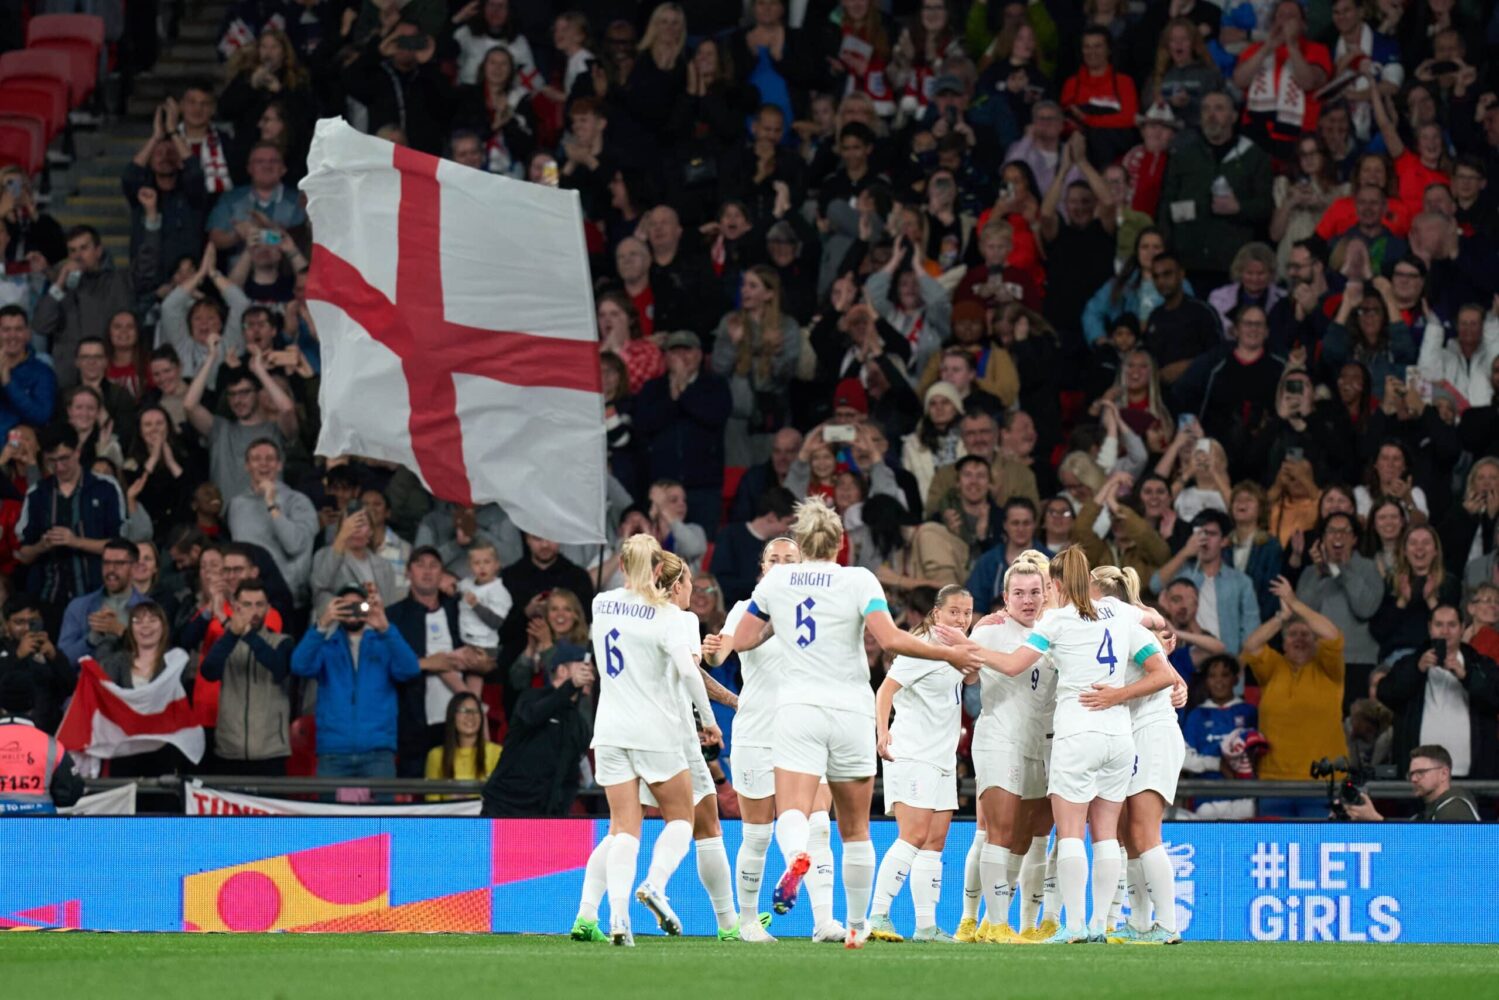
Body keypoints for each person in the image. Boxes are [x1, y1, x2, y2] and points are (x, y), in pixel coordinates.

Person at [725, 497, 978, 948]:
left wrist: (777, 622)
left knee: (795, 810)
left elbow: (742, 640)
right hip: (851, 710)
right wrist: (949, 652)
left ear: (801, 542)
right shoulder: (860, 579)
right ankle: (858, 927)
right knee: (855, 828)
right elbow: (891, 639)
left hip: (798, 708)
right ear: (841, 543)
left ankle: (797, 854)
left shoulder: (777, 582)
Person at [946, 547, 1175, 944]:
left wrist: (966, 646)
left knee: (1069, 835)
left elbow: (1015, 664)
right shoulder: (1119, 614)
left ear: (1054, 585)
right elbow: (1161, 654)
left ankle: (1073, 926)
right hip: (1119, 736)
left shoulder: (1057, 621)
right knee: (1107, 835)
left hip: (1076, 734)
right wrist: (1120, 693)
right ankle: (1102, 925)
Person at [573, 535, 720, 947]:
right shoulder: (668, 616)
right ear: (659, 569)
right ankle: (654, 886)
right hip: (654, 730)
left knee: (622, 828)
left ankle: (618, 918)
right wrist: (709, 722)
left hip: (609, 730)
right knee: (681, 819)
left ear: (621, 564)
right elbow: (691, 675)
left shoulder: (600, 603)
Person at [706, 535, 841, 944]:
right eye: (774, 559)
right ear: (762, 569)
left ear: (803, 565)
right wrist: (713, 651)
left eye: (790, 559)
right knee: (758, 833)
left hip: (805, 730)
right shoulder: (742, 611)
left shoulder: (818, 608)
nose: (781, 564)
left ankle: (823, 922)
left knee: (818, 824)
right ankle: (747, 922)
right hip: (757, 731)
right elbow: (718, 656)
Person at [868, 584, 976, 944]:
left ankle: (926, 926)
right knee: (912, 836)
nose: (961, 618)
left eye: (967, 612)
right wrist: (881, 732)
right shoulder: (921, 649)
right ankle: (878, 915)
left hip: (942, 757)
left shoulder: (958, 648)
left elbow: (974, 675)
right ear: (936, 614)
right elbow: (886, 690)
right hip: (912, 753)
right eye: (954, 612)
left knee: (934, 842)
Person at [1089, 566, 1188, 945]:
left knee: (1145, 831)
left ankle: (1167, 923)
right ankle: (1142, 923)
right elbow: (1168, 675)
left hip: (1153, 733)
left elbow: (1163, 675)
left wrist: (1116, 696)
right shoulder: (1120, 627)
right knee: (1130, 834)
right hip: (1134, 735)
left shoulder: (1125, 621)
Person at [966, 553, 1056, 943]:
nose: (1027, 600)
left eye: (1035, 592)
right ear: (1005, 597)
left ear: (1046, 593)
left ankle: (991, 920)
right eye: (1018, 593)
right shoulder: (990, 631)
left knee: (1024, 837)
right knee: (996, 832)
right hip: (998, 739)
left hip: (1039, 743)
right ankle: (992, 922)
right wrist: (968, 638)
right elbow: (965, 675)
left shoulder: (1055, 631)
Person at [290, 584, 421, 781]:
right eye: (345, 606)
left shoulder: (384, 644)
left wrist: (385, 627)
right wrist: (323, 623)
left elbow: (410, 669)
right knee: (333, 812)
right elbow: (299, 665)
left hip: (378, 752)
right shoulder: (326, 647)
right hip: (333, 752)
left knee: (380, 813)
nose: (352, 611)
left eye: (359, 606)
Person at [1242, 576, 1348, 817]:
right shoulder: (1273, 668)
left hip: (1323, 782)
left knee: (1316, 850)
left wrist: (1294, 603)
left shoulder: (1328, 669)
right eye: (1292, 635)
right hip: (1273, 782)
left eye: (1305, 634)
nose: (1299, 638)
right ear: (1284, 642)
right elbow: (1251, 646)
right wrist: (1282, 618)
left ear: (1314, 642)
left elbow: (1333, 636)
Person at [15, 424, 127, 630]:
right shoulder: (38, 493)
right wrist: (42, 545)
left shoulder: (105, 488)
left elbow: (120, 546)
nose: (59, 468)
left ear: (78, 451)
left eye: (64, 458)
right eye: (52, 461)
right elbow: (22, 553)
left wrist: (75, 541)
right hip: (48, 596)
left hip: (96, 595)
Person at [1376, 605, 1499, 779]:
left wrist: (1467, 676)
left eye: (1452, 625)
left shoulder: (1481, 664)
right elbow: (1385, 693)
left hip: (1472, 778)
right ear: (1429, 628)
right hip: (1420, 778)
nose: (1445, 631)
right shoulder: (1411, 662)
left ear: (1463, 628)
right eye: (1439, 625)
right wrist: (1416, 670)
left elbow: (1495, 698)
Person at [480, 647, 594, 818]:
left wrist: (560, 812)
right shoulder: (531, 697)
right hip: (504, 807)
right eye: (584, 668)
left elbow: (571, 776)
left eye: (592, 671)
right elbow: (532, 716)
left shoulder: (578, 722)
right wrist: (571, 686)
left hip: (544, 815)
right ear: (562, 670)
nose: (591, 677)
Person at [199, 579, 294, 775]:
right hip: (229, 749)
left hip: (271, 751)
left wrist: (246, 634)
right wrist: (232, 634)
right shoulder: (225, 642)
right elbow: (208, 672)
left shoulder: (282, 642)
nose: (254, 611)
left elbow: (279, 668)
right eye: (247, 605)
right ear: (236, 607)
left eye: (260, 605)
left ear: (268, 608)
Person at [31, 227, 134, 387]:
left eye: (84, 248)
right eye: (72, 251)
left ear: (98, 251)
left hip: (105, 375)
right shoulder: (62, 286)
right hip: (67, 378)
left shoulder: (116, 281)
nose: (78, 256)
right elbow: (41, 325)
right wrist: (59, 283)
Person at [1149, 510, 1261, 654]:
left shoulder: (1241, 582)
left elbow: (1251, 630)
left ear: (1224, 540)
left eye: (1211, 534)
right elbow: (1154, 586)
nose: (1204, 539)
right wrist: (1185, 552)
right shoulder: (1183, 574)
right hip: (1187, 660)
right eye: (1200, 533)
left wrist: (1239, 666)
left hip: (1225, 665)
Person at [224, 439, 318, 607]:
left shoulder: (298, 501)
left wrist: (271, 504)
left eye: (269, 459)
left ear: (279, 465)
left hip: (284, 596)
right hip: (245, 597)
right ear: (247, 466)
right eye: (256, 459)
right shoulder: (236, 505)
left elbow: (295, 545)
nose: (263, 464)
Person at [1182, 655, 1259, 820]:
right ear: (1206, 681)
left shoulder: (1250, 712)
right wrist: (1217, 764)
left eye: (1225, 675)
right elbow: (1184, 759)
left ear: (1236, 679)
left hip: (1246, 799)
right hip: (1207, 800)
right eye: (1212, 676)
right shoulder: (1197, 715)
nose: (1219, 681)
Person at [0, 672, 84, 813]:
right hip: (41, 829)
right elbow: (71, 793)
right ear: (33, 707)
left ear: (1, 707)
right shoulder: (51, 745)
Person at [58, 538, 148, 664]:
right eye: (106, 563)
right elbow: (62, 661)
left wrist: (121, 632)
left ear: (134, 567)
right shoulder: (78, 607)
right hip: (88, 680)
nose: (111, 569)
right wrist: (91, 639)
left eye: (119, 563)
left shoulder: (149, 608)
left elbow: (155, 658)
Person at [1344, 744, 1483, 821]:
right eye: (1411, 774)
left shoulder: (1454, 806)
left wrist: (1377, 820)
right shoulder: (1422, 814)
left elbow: (1434, 853)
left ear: (1444, 773)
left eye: (1421, 773)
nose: (1414, 779)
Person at [0, 595, 74, 735]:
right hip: (6, 735)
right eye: (19, 622)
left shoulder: (48, 649)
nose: (27, 628)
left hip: (47, 733)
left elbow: (70, 689)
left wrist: (54, 657)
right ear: (6, 624)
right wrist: (17, 657)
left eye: (33, 622)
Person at [423, 691, 499, 799]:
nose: (470, 716)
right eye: (464, 711)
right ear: (452, 716)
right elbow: (432, 804)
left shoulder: (497, 753)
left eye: (476, 711)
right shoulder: (436, 755)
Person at [0, 305, 56, 436]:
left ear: (28, 334)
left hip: (22, 449)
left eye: (18, 329)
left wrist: (8, 383)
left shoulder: (42, 372)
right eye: (6, 330)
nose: (12, 336)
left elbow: (42, 416)